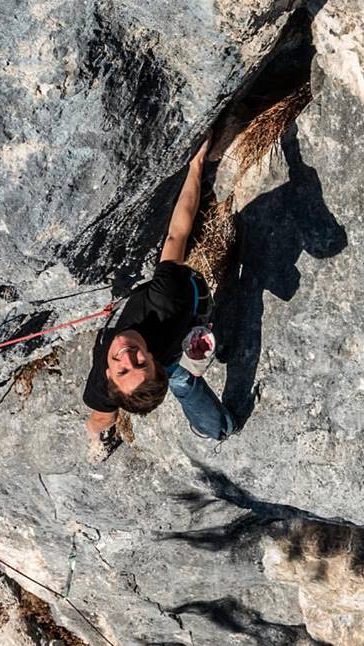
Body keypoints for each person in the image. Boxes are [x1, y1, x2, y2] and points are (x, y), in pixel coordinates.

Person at [83, 137, 235, 456]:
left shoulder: (103, 383)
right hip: (191, 300)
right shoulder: (165, 297)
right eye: (139, 362)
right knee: (181, 380)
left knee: (181, 381)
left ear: (108, 375)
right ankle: (219, 426)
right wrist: (196, 166)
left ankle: (215, 427)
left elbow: (100, 416)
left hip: (177, 324)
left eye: (123, 368)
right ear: (153, 361)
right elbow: (177, 232)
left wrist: (95, 436)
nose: (127, 355)